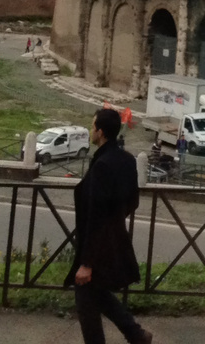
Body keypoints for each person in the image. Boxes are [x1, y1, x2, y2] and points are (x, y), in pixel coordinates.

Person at [68, 107, 150, 344]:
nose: (91, 130)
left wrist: (87, 263)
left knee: (85, 297)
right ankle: (136, 334)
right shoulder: (126, 160)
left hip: (98, 246)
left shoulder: (103, 165)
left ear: (101, 132)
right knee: (97, 293)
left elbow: (95, 214)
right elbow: (132, 201)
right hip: (114, 239)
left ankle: (135, 334)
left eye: (93, 126)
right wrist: (116, 219)